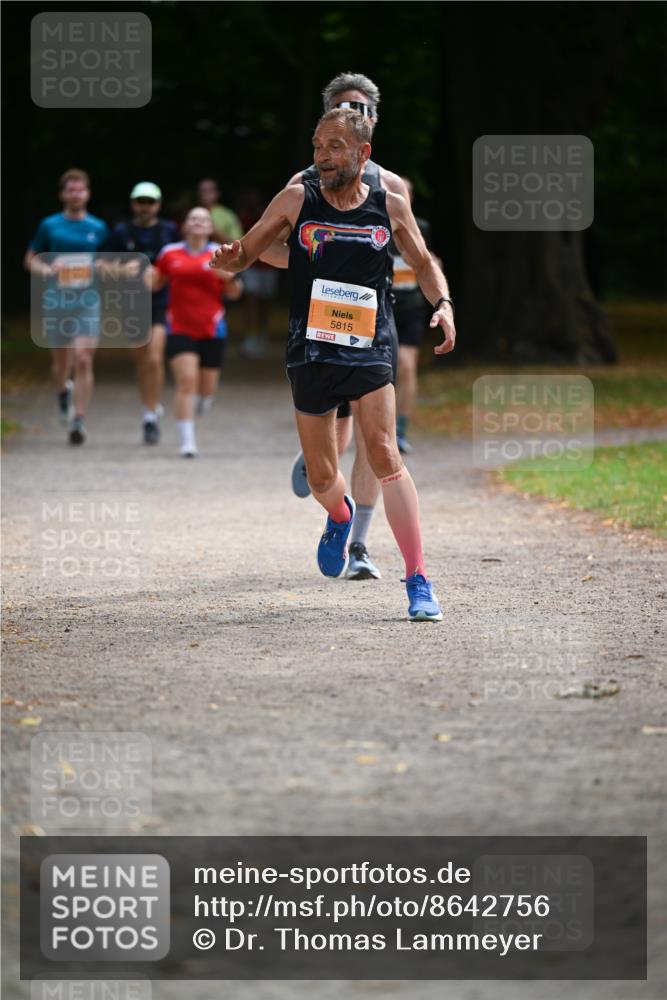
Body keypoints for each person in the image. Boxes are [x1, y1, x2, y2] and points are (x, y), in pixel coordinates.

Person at [210, 108, 456, 622]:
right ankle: (340, 517)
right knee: (322, 476)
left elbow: (423, 260)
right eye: (318, 145)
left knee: (384, 452)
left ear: (363, 153)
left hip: (369, 345)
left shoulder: (390, 203)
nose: (322, 156)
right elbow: (248, 253)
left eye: (335, 147)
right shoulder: (297, 197)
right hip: (310, 348)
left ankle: (418, 580)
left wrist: (444, 305)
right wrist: (228, 259)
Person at [264, 72, 437, 582]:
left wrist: (436, 298)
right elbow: (273, 247)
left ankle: (361, 543)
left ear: (372, 124)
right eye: (343, 108)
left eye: (361, 110)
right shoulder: (303, 185)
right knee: (331, 451)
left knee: (376, 444)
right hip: (317, 333)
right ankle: (325, 479)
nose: (353, 115)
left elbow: (410, 254)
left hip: (371, 328)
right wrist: (310, 262)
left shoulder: (391, 188)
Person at [146, 207, 243, 457]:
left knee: (206, 390)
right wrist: (145, 277)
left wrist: (227, 279)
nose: (198, 222)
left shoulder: (220, 253)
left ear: (210, 227)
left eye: (203, 219)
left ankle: (203, 401)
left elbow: (236, 293)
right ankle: (187, 442)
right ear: (185, 225)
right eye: (193, 219)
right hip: (179, 327)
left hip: (213, 329)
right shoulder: (170, 253)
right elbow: (156, 284)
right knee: (186, 382)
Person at [24, 168, 109, 445]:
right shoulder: (49, 225)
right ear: (63, 194)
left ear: (88, 193)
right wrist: (47, 268)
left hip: (88, 300)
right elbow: (30, 259)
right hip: (57, 300)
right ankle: (63, 392)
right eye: (70, 190)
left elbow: (109, 262)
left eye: (80, 189)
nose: (75, 194)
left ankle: (79, 419)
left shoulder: (98, 227)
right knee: (61, 363)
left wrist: (101, 266)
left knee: (83, 358)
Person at [103, 182, 179, 444]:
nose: (145, 207)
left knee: (155, 357)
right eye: (140, 202)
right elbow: (101, 263)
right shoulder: (121, 232)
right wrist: (123, 270)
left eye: (150, 202)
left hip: (161, 302)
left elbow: (180, 258)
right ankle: (148, 405)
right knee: (141, 359)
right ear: (133, 204)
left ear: (158, 204)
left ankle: (150, 414)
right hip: (132, 302)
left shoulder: (169, 230)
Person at [391, 176, 437, 454]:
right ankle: (370, 426)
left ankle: (400, 430)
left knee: (406, 365)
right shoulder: (374, 224)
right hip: (379, 306)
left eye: (405, 193)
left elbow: (426, 261)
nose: (401, 198)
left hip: (410, 307)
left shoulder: (421, 228)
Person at [197, 178, 243, 244]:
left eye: (209, 190)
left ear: (217, 193)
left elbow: (237, 243)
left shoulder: (228, 215)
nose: (205, 194)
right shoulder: (193, 214)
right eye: (202, 191)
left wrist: (214, 231)